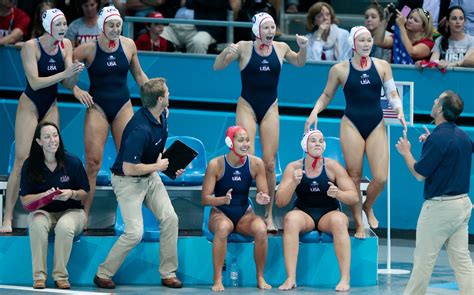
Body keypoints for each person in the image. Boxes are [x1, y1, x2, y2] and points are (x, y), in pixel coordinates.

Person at [305, 26, 407, 238]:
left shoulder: (382, 66)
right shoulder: (339, 69)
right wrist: (314, 112)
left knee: (380, 177)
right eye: (362, 40)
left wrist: (399, 110)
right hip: (351, 123)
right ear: (353, 44)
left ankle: (367, 205)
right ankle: (359, 223)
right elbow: (326, 95)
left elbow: (392, 92)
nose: (367, 44)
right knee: (354, 175)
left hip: (376, 123)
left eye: (369, 40)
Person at [214, 12, 308, 233]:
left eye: (273, 27)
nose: (270, 31)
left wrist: (303, 48)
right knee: (248, 159)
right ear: (257, 30)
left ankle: (268, 214)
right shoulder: (244, 47)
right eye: (266, 28)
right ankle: (249, 211)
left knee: (269, 162)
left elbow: (300, 63)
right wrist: (226, 52)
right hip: (246, 104)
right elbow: (217, 67)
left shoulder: (281, 48)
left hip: (270, 107)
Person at [93, 78, 183, 289]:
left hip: (150, 177)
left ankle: (168, 273)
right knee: (134, 233)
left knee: (170, 218)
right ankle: (102, 273)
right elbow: (128, 168)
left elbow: (156, 152)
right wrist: (158, 167)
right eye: (167, 93)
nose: (170, 94)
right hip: (127, 181)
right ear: (160, 99)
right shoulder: (139, 129)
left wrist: (171, 168)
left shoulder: (162, 115)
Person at [0, 8, 84, 233]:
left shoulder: (66, 45)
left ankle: (49, 208)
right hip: (30, 104)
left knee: (53, 155)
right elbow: (35, 83)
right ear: (48, 26)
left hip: (50, 106)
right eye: (58, 25)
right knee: (21, 159)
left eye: (65, 24)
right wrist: (65, 75)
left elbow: (67, 82)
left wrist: (75, 73)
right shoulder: (30, 47)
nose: (63, 29)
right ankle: (7, 217)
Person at [72, 5, 148, 222]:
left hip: (123, 106)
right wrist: (76, 89)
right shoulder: (87, 49)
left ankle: (131, 218)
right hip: (98, 108)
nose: (115, 30)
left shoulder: (128, 45)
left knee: (129, 161)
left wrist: (157, 97)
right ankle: (83, 216)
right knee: (93, 164)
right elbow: (67, 74)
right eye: (111, 25)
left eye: (118, 26)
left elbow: (140, 77)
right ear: (101, 26)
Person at [395, 90, 473, 295]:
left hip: (440, 208)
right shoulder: (463, 137)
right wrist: (431, 141)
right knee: (462, 261)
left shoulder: (437, 140)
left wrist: (406, 153)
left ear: (439, 109)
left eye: (437, 99)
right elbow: (448, 153)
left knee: (423, 261)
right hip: (462, 206)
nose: (433, 100)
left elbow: (419, 174)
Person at [276, 129, 358, 291]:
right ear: (305, 145)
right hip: (304, 213)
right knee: (291, 219)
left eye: (321, 141)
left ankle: (344, 278)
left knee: (340, 220)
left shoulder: (333, 166)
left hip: (328, 213)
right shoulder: (293, 167)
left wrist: (338, 193)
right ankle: (291, 278)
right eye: (313, 140)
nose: (318, 144)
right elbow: (280, 202)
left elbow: (354, 197)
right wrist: (293, 182)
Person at [201, 125, 272, 292]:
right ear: (230, 142)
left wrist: (262, 198)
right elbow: (205, 199)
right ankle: (217, 278)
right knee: (223, 227)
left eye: (247, 140)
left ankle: (260, 277)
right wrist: (222, 200)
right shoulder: (216, 164)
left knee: (261, 229)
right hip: (220, 213)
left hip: (244, 215)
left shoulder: (256, 164)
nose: (246, 144)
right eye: (241, 140)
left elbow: (264, 193)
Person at [19, 122, 89, 290]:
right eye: (47, 137)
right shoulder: (30, 165)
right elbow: (25, 200)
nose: (53, 140)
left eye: (55, 135)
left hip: (73, 212)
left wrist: (71, 193)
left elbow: (85, 192)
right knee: (36, 223)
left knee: (65, 226)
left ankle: (60, 277)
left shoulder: (72, 162)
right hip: (43, 212)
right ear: (39, 142)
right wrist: (43, 196)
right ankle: (39, 277)